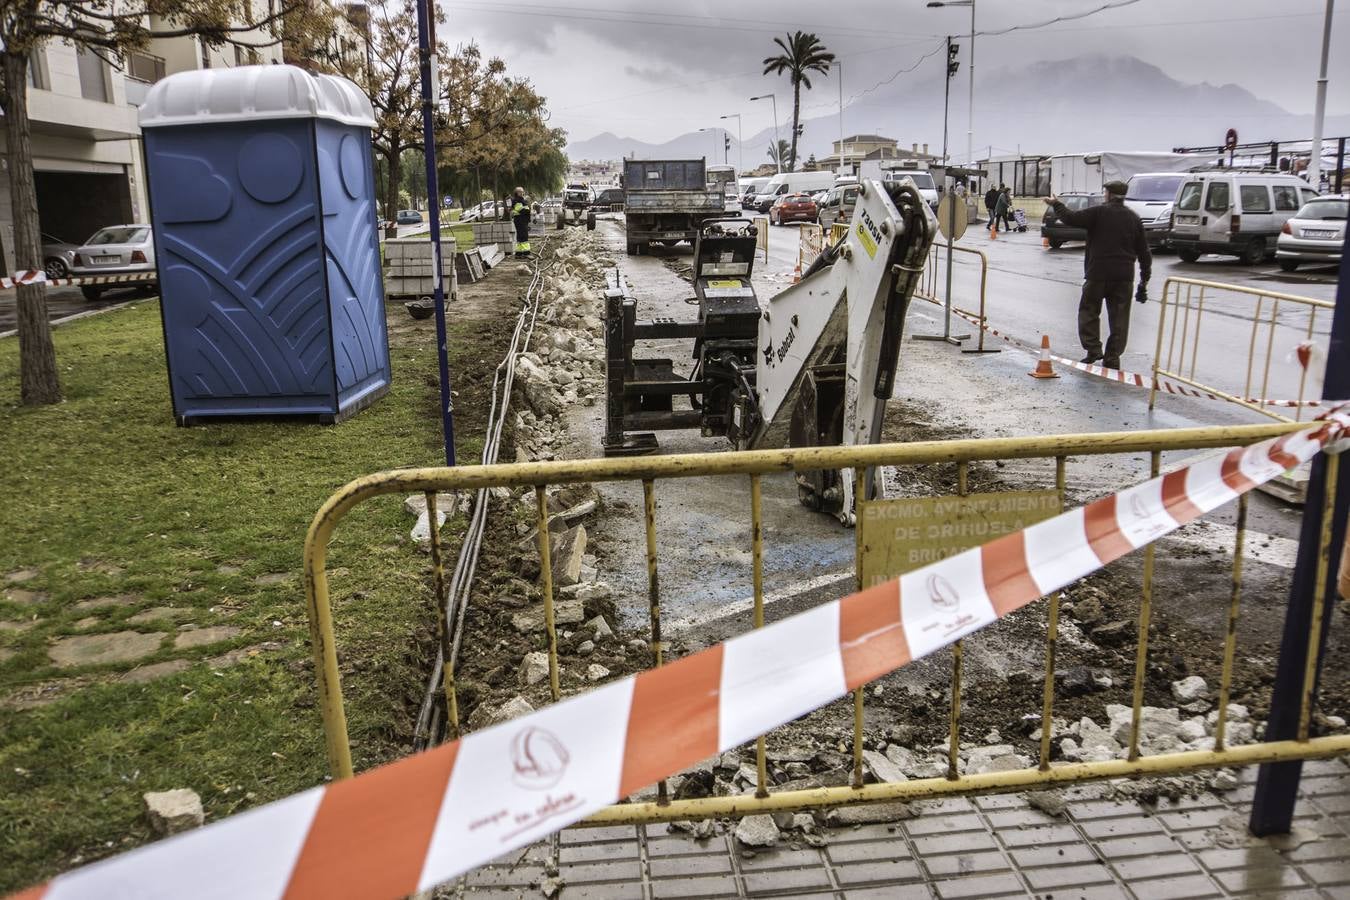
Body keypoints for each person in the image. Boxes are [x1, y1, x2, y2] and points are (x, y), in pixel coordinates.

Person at [1042, 180, 1152, 370]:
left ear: (1108, 194)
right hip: (1124, 276)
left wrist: (1056, 204)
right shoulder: (1133, 218)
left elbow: (1071, 218)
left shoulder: (1098, 213)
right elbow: (1144, 252)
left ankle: (1093, 349)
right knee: (1120, 318)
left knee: (1089, 311)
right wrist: (1144, 281)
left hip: (1098, 273)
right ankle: (1112, 357)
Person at [510, 186, 531, 259]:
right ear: (517, 193)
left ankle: (518, 253)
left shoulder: (519, 200)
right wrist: (528, 211)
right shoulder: (518, 200)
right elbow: (521, 209)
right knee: (524, 236)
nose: (523, 193)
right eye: (521, 192)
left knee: (520, 237)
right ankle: (526, 253)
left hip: (520, 220)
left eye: (523, 191)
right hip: (520, 220)